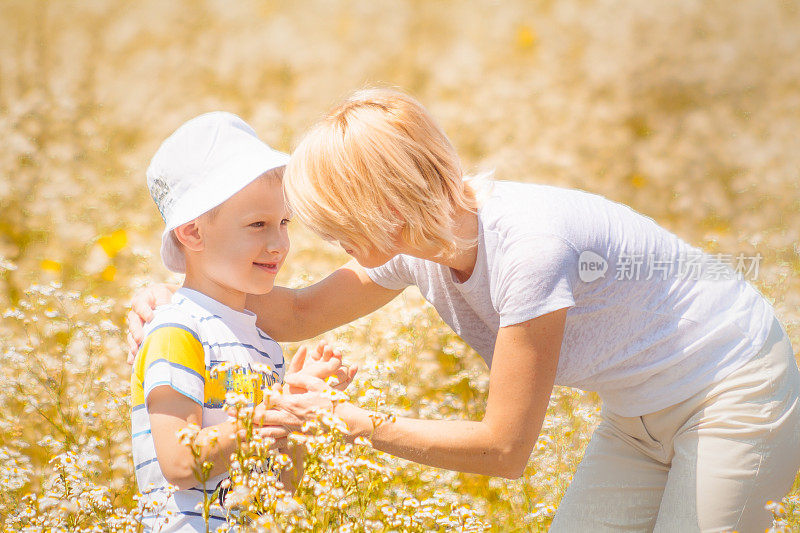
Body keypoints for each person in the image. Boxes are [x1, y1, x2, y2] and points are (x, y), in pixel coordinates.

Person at [128, 90, 800, 532]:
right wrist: (181, 302)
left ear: (385, 207)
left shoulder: (530, 249)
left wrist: (348, 421)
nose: (329, 245)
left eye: (338, 228)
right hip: (637, 415)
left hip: (734, 390)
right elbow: (298, 312)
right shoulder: (414, 239)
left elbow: (505, 449)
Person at [131, 112, 355, 532]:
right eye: (258, 225)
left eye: (284, 222)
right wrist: (275, 408)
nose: (279, 243)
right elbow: (180, 463)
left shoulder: (263, 343)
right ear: (192, 233)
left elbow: (281, 486)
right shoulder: (176, 332)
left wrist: (301, 406)